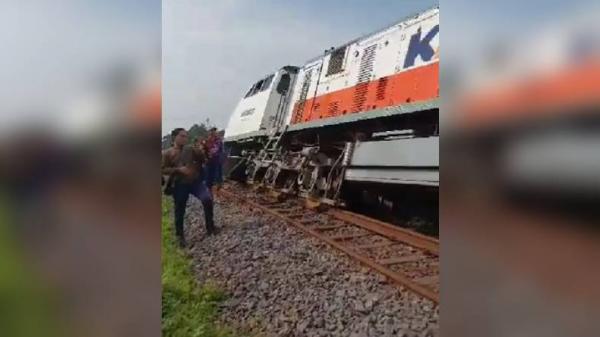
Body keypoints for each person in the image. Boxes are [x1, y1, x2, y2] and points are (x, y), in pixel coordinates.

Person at [162, 128, 216, 247]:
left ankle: (210, 227)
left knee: (207, 199)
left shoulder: (191, 149)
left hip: (195, 182)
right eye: (182, 136)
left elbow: (204, 160)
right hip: (180, 184)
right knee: (180, 209)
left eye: (186, 136)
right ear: (174, 137)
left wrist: (203, 151)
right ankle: (180, 236)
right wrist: (178, 170)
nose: (184, 138)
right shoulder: (168, 153)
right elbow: (163, 170)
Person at [204, 127, 224, 195]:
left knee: (217, 173)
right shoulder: (207, 141)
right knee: (209, 176)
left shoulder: (218, 141)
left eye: (215, 132)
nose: (214, 133)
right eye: (212, 132)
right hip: (209, 162)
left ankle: (218, 184)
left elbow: (218, 149)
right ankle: (209, 189)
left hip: (216, 160)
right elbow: (204, 150)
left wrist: (211, 153)